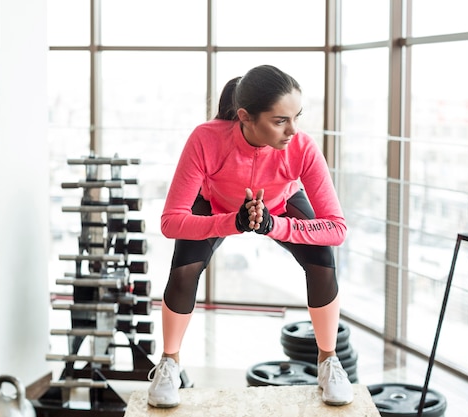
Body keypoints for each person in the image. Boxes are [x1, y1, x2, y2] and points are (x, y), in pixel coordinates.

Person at [147, 64, 353, 407]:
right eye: (279, 120)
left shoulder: (301, 147)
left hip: (280, 206)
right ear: (245, 116)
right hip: (218, 205)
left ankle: (328, 361)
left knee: (323, 260)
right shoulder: (206, 138)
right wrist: (233, 222)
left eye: (296, 117)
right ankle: (169, 362)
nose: (292, 130)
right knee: (184, 270)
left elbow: (337, 228)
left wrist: (274, 225)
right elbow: (170, 222)